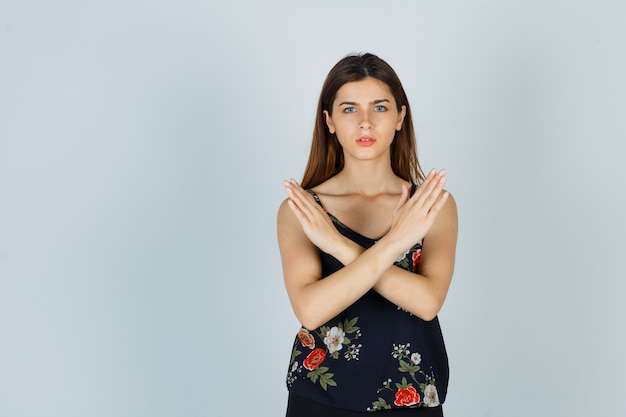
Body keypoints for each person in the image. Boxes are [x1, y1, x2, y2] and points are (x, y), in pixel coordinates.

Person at [277, 52, 458, 416]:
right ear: (328, 121)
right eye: (348, 109)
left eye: (379, 108)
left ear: (400, 117)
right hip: (320, 398)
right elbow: (311, 310)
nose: (364, 123)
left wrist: (337, 245)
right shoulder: (303, 209)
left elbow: (426, 302)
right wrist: (395, 243)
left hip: (412, 395)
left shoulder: (432, 205)